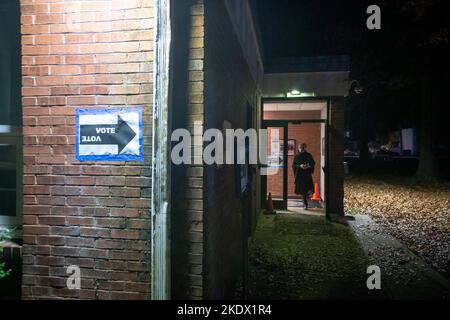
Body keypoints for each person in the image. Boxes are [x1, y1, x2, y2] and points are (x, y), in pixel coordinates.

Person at [292, 143, 315, 210]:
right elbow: (294, 165)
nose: (301, 149)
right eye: (301, 148)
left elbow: (312, 163)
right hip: (303, 175)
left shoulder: (307, 155)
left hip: (304, 175)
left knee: (305, 189)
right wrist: (300, 166)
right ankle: (305, 204)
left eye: (302, 148)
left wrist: (305, 166)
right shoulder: (298, 156)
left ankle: (305, 203)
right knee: (304, 190)